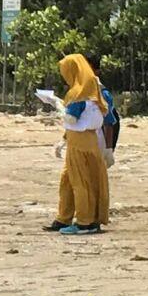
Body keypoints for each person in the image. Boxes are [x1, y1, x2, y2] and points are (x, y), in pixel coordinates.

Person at [43, 53, 109, 236]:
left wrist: (57, 104)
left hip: (79, 142)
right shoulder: (92, 90)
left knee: (80, 182)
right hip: (87, 140)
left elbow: (71, 119)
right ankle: (64, 217)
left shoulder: (78, 93)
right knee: (70, 179)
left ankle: (85, 222)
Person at [87, 53, 120, 167]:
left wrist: (108, 149)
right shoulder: (79, 92)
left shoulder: (103, 94)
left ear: (97, 72)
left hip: (99, 137)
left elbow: (109, 123)